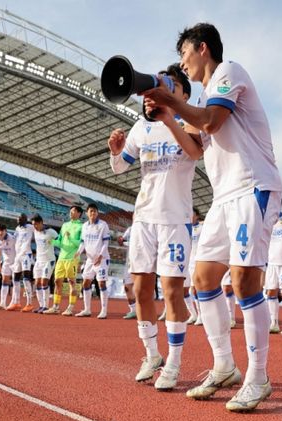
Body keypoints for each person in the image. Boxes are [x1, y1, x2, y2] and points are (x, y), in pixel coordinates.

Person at [143, 23, 282, 411]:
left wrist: (171, 102)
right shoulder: (205, 97)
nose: (182, 62)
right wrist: (168, 118)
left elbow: (211, 122)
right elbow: (195, 149)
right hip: (224, 198)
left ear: (203, 48)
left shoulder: (229, 72)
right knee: (203, 278)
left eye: (184, 54)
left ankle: (258, 377)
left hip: (253, 187)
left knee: (244, 281)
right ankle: (224, 366)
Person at [109, 63, 195, 391]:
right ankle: (151, 354)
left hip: (175, 220)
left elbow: (195, 153)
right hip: (144, 219)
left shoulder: (189, 123)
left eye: (170, 86)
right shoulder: (140, 128)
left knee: (172, 291)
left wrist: (169, 118)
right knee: (142, 290)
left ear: (184, 94)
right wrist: (115, 152)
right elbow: (120, 168)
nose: (157, 91)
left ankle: (174, 361)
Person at [44, 205, 83, 315]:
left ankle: (70, 307)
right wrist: (52, 242)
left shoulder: (81, 227)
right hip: (61, 257)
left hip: (72, 258)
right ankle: (55, 307)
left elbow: (81, 243)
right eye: (70, 211)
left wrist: (70, 238)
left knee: (72, 282)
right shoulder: (65, 225)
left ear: (79, 213)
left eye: (73, 211)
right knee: (57, 281)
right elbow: (60, 242)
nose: (71, 213)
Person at [75, 203, 111, 319]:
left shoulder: (103, 225)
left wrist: (100, 256)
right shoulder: (84, 226)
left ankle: (104, 311)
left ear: (97, 213)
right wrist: (78, 252)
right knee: (86, 283)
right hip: (90, 260)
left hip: (102, 259)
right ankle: (87, 310)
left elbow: (105, 242)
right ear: (87, 213)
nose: (93, 213)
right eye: (91, 211)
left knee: (101, 283)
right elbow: (82, 242)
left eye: (95, 211)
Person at [29, 214, 58, 313]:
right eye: (33, 224)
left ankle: (46, 306)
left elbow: (60, 241)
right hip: (38, 261)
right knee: (37, 283)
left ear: (41, 222)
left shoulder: (51, 231)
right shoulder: (35, 231)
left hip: (49, 260)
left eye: (36, 224)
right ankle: (41, 305)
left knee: (44, 282)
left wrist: (54, 242)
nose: (35, 226)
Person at [8, 214, 35, 312]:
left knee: (26, 279)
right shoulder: (17, 229)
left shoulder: (30, 227)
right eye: (17, 218)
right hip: (18, 256)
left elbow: (40, 228)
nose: (18, 220)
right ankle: (16, 302)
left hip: (26, 255)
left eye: (20, 218)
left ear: (25, 219)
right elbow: (13, 239)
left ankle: (29, 303)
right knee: (15, 279)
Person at [0, 223, 16, 310]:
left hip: (15, 262)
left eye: (2, 230)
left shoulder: (12, 238)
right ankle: (2, 303)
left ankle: (14, 303)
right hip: (6, 262)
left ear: (5, 231)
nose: (0, 232)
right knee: (4, 281)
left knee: (15, 282)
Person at [118, 225, 137, 320]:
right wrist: (120, 240)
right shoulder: (131, 229)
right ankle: (133, 310)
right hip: (130, 262)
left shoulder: (150, 227)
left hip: (144, 263)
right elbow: (122, 241)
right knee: (127, 287)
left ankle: (142, 310)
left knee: (141, 288)